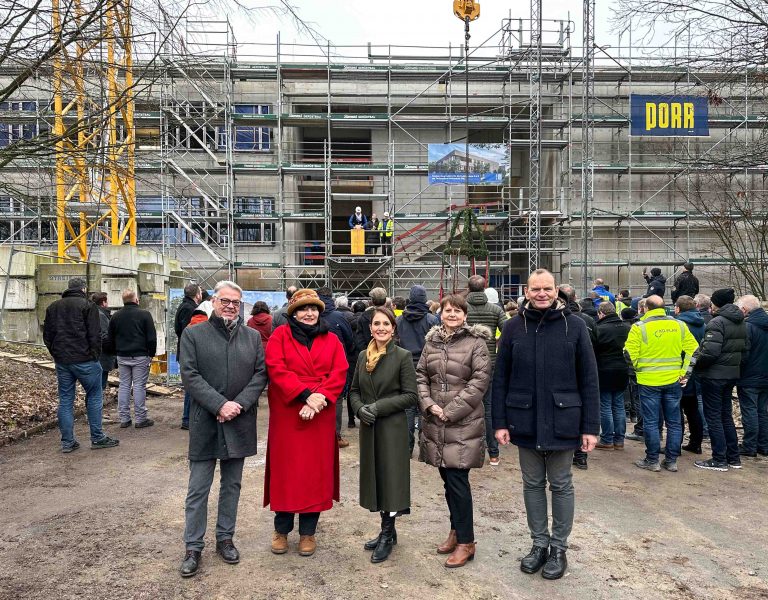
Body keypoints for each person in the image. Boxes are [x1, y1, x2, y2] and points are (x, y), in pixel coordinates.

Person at [493, 269, 599, 581]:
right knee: (532, 484)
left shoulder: (575, 326)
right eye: (536, 288)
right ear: (526, 291)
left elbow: (589, 380)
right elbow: (501, 379)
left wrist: (590, 427)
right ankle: (538, 544)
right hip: (525, 420)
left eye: (547, 288)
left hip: (564, 420)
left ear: (557, 291)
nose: (542, 293)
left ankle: (559, 547)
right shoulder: (513, 327)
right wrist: (499, 421)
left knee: (562, 484)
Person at [179, 280, 268, 578]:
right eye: (225, 301)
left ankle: (225, 538)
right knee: (198, 488)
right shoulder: (194, 334)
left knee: (232, 485)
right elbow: (190, 375)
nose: (230, 306)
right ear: (214, 301)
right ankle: (193, 546)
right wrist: (219, 404)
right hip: (207, 421)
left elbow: (259, 375)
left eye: (235, 302)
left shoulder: (252, 337)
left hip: (239, 421)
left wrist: (238, 405)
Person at [264, 289, 348, 557]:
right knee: (286, 472)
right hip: (290, 412)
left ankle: (308, 533)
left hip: (320, 414)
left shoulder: (332, 339)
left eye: (313, 309)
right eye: (303, 309)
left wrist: (319, 398)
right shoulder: (279, 336)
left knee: (315, 473)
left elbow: (340, 371)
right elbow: (276, 368)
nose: (309, 313)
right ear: (293, 313)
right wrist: (306, 396)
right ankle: (281, 529)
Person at [417, 294, 490, 569]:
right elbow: (421, 376)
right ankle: (456, 530)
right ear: (441, 313)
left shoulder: (476, 343)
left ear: (465, 315)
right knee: (448, 482)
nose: (452, 315)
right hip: (436, 422)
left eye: (457, 311)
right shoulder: (431, 342)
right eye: (448, 310)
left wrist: (451, 410)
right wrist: (429, 404)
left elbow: (480, 381)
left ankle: (466, 541)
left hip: (463, 423)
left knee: (458, 483)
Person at [349, 307, 418, 564]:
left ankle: (387, 534)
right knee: (376, 478)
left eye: (386, 324)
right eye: (376, 324)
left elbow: (410, 396)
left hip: (392, 428)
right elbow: (353, 389)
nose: (380, 328)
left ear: (393, 328)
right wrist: (358, 409)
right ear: (370, 328)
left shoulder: (402, 356)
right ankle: (387, 529)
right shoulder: (362, 356)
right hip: (369, 428)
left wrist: (378, 407)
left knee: (391, 480)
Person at [43, 277, 119, 453]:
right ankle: (97, 437)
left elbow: (47, 335)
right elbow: (95, 335)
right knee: (94, 395)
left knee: (66, 400)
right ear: (84, 289)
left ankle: (67, 442)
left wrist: (56, 353)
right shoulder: (88, 306)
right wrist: (94, 356)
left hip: (63, 361)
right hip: (85, 360)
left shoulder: (53, 307)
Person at [624, 295, 699, 473]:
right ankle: (671, 460)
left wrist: (637, 370)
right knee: (674, 422)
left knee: (651, 422)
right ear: (664, 308)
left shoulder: (639, 328)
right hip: (673, 380)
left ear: (645, 309)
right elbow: (694, 350)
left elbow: (628, 354)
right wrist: (684, 373)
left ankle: (652, 460)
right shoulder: (679, 325)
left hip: (648, 381)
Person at [692, 288, 748, 471]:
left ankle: (719, 459)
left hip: (714, 376)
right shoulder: (741, 322)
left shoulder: (717, 322)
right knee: (726, 416)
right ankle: (733, 457)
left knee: (714, 417)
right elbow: (745, 350)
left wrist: (697, 367)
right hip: (731, 374)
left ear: (717, 303)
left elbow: (709, 352)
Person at [465, 275, 507, 466]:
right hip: (489, 362)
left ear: (468, 288)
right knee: (488, 408)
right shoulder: (496, 309)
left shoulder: (462, 307)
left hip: (464, 363)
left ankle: (466, 451)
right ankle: (494, 453)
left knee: (465, 408)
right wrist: (496, 343)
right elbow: (508, 330)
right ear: (484, 288)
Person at [396, 284, 439, 455]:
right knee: (424, 407)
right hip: (426, 366)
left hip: (405, 366)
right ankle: (424, 447)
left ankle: (407, 448)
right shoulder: (431, 320)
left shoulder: (399, 320)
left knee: (408, 408)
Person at [559, 284, 596, 471]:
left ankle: (576, 453)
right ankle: (581, 456)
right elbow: (596, 343)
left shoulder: (574, 322)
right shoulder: (587, 319)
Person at [109, 289, 157, 429]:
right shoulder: (144, 314)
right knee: (138, 386)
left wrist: (115, 352)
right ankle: (140, 418)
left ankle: (124, 418)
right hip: (140, 355)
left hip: (122, 355)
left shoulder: (116, 316)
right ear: (136, 300)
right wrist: (151, 354)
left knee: (124, 385)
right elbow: (151, 337)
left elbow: (110, 337)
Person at [316, 286, 355, 447]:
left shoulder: (310, 315)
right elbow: (349, 339)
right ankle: (335, 436)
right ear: (331, 298)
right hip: (336, 365)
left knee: (313, 395)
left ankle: (317, 433)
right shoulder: (339, 316)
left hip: (313, 364)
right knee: (336, 398)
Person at [594, 302, 631, 451]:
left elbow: (594, 351)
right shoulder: (627, 328)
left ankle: (607, 438)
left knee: (605, 405)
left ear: (601, 313)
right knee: (618, 405)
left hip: (604, 369)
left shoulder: (599, 329)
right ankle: (619, 440)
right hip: (622, 369)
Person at [735, 295, 768, 458]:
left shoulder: (747, 327)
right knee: (762, 412)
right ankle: (764, 444)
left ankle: (750, 446)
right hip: (765, 377)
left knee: (750, 412)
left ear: (744, 310)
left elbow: (744, 355)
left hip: (749, 376)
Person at [674, 296, 706, 455]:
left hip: (681, 372)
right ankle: (696, 443)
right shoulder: (703, 323)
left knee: (676, 411)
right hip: (697, 372)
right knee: (693, 410)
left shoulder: (679, 325)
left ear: (678, 308)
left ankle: (675, 444)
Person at [175, 282, 201, 430]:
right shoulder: (189, 308)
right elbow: (186, 332)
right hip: (188, 353)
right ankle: (187, 419)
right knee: (191, 387)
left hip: (185, 351)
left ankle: (189, 418)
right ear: (197, 294)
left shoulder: (184, 306)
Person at [91, 292, 115, 397]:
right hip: (102, 357)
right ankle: (96, 412)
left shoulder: (93, 312)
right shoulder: (101, 316)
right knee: (99, 387)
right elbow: (105, 337)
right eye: (107, 301)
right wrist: (113, 350)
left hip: (96, 356)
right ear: (103, 302)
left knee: (95, 387)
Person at [354, 287, 387, 354]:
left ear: (372, 301)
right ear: (385, 300)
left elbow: (360, 339)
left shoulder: (364, 316)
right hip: (388, 353)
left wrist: (367, 353)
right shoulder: (391, 316)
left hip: (369, 354)